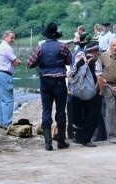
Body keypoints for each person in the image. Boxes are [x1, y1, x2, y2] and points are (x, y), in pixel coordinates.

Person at [27, 22, 72, 150]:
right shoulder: (62, 47)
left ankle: (48, 143)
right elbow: (69, 61)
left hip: (45, 82)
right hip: (59, 82)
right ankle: (61, 142)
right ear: (56, 34)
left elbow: (30, 64)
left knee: (46, 111)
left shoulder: (40, 48)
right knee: (61, 112)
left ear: (46, 35)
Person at [67, 41, 104, 147]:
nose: (98, 53)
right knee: (93, 116)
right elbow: (99, 77)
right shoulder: (96, 62)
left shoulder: (80, 61)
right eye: (97, 51)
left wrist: (73, 86)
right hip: (92, 94)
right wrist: (101, 91)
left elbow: (70, 74)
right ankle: (86, 139)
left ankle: (79, 138)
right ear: (95, 51)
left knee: (81, 115)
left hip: (79, 93)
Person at [0, 30, 22, 129]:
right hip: (5, 75)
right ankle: (7, 124)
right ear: (5, 37)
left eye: (14, 38)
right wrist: (19, 62)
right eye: (11, 37)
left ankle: (2, 122)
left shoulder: (1, 46)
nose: (13, 40)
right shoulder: (7, 47)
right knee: (8, 100)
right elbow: (16, 62)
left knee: (0, 99)